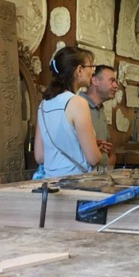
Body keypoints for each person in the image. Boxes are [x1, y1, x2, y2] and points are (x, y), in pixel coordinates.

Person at [34, 46, 102, 178]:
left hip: (50, 187)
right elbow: (93, 159)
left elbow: (40, 157)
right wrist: (96, 151)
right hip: (76, 185)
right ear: (79, 70)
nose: (92, 72)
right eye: (90, 67)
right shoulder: (78, 103)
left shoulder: (43, 105)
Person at [79, 65, 118, 170]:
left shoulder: (100, 108)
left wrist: (110, 162)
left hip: (101, 177)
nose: (116, 85)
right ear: (95, 81)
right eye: (112, 80)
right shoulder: (78, 105)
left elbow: (108, 145)